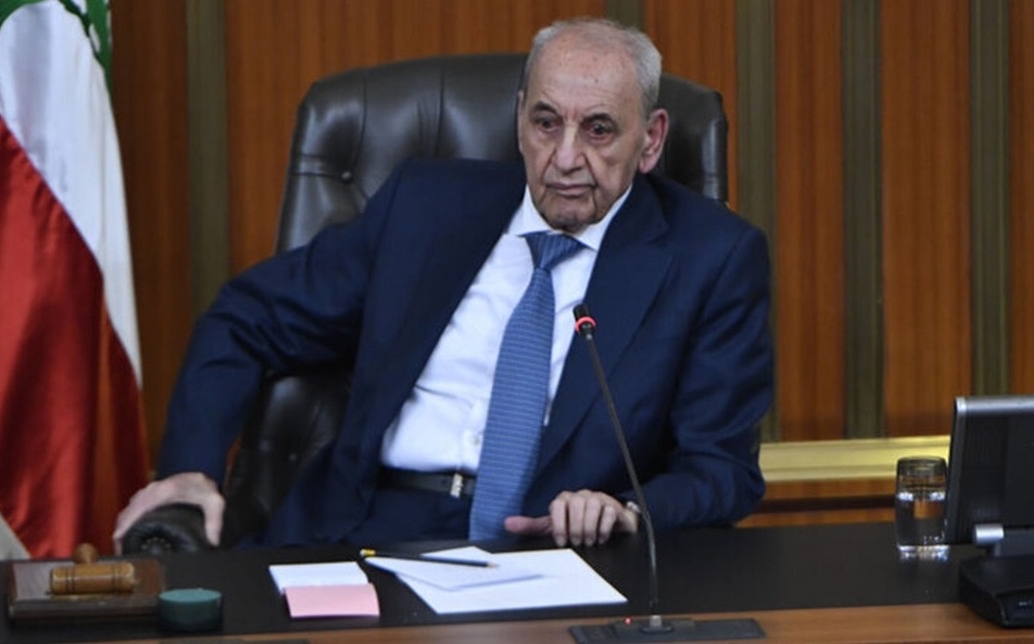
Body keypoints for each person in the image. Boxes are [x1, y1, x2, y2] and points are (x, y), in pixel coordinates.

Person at [113, 17, 772, 550]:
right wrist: (190, 469)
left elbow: (722, 469)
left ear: (651, 141)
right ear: (519, 119)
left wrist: (625, 509)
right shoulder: (426, 210)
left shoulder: (710, 257)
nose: (567, 157)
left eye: (598, 130)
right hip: (365, 531)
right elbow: (247, 316)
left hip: (552, 554)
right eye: (546, 123)